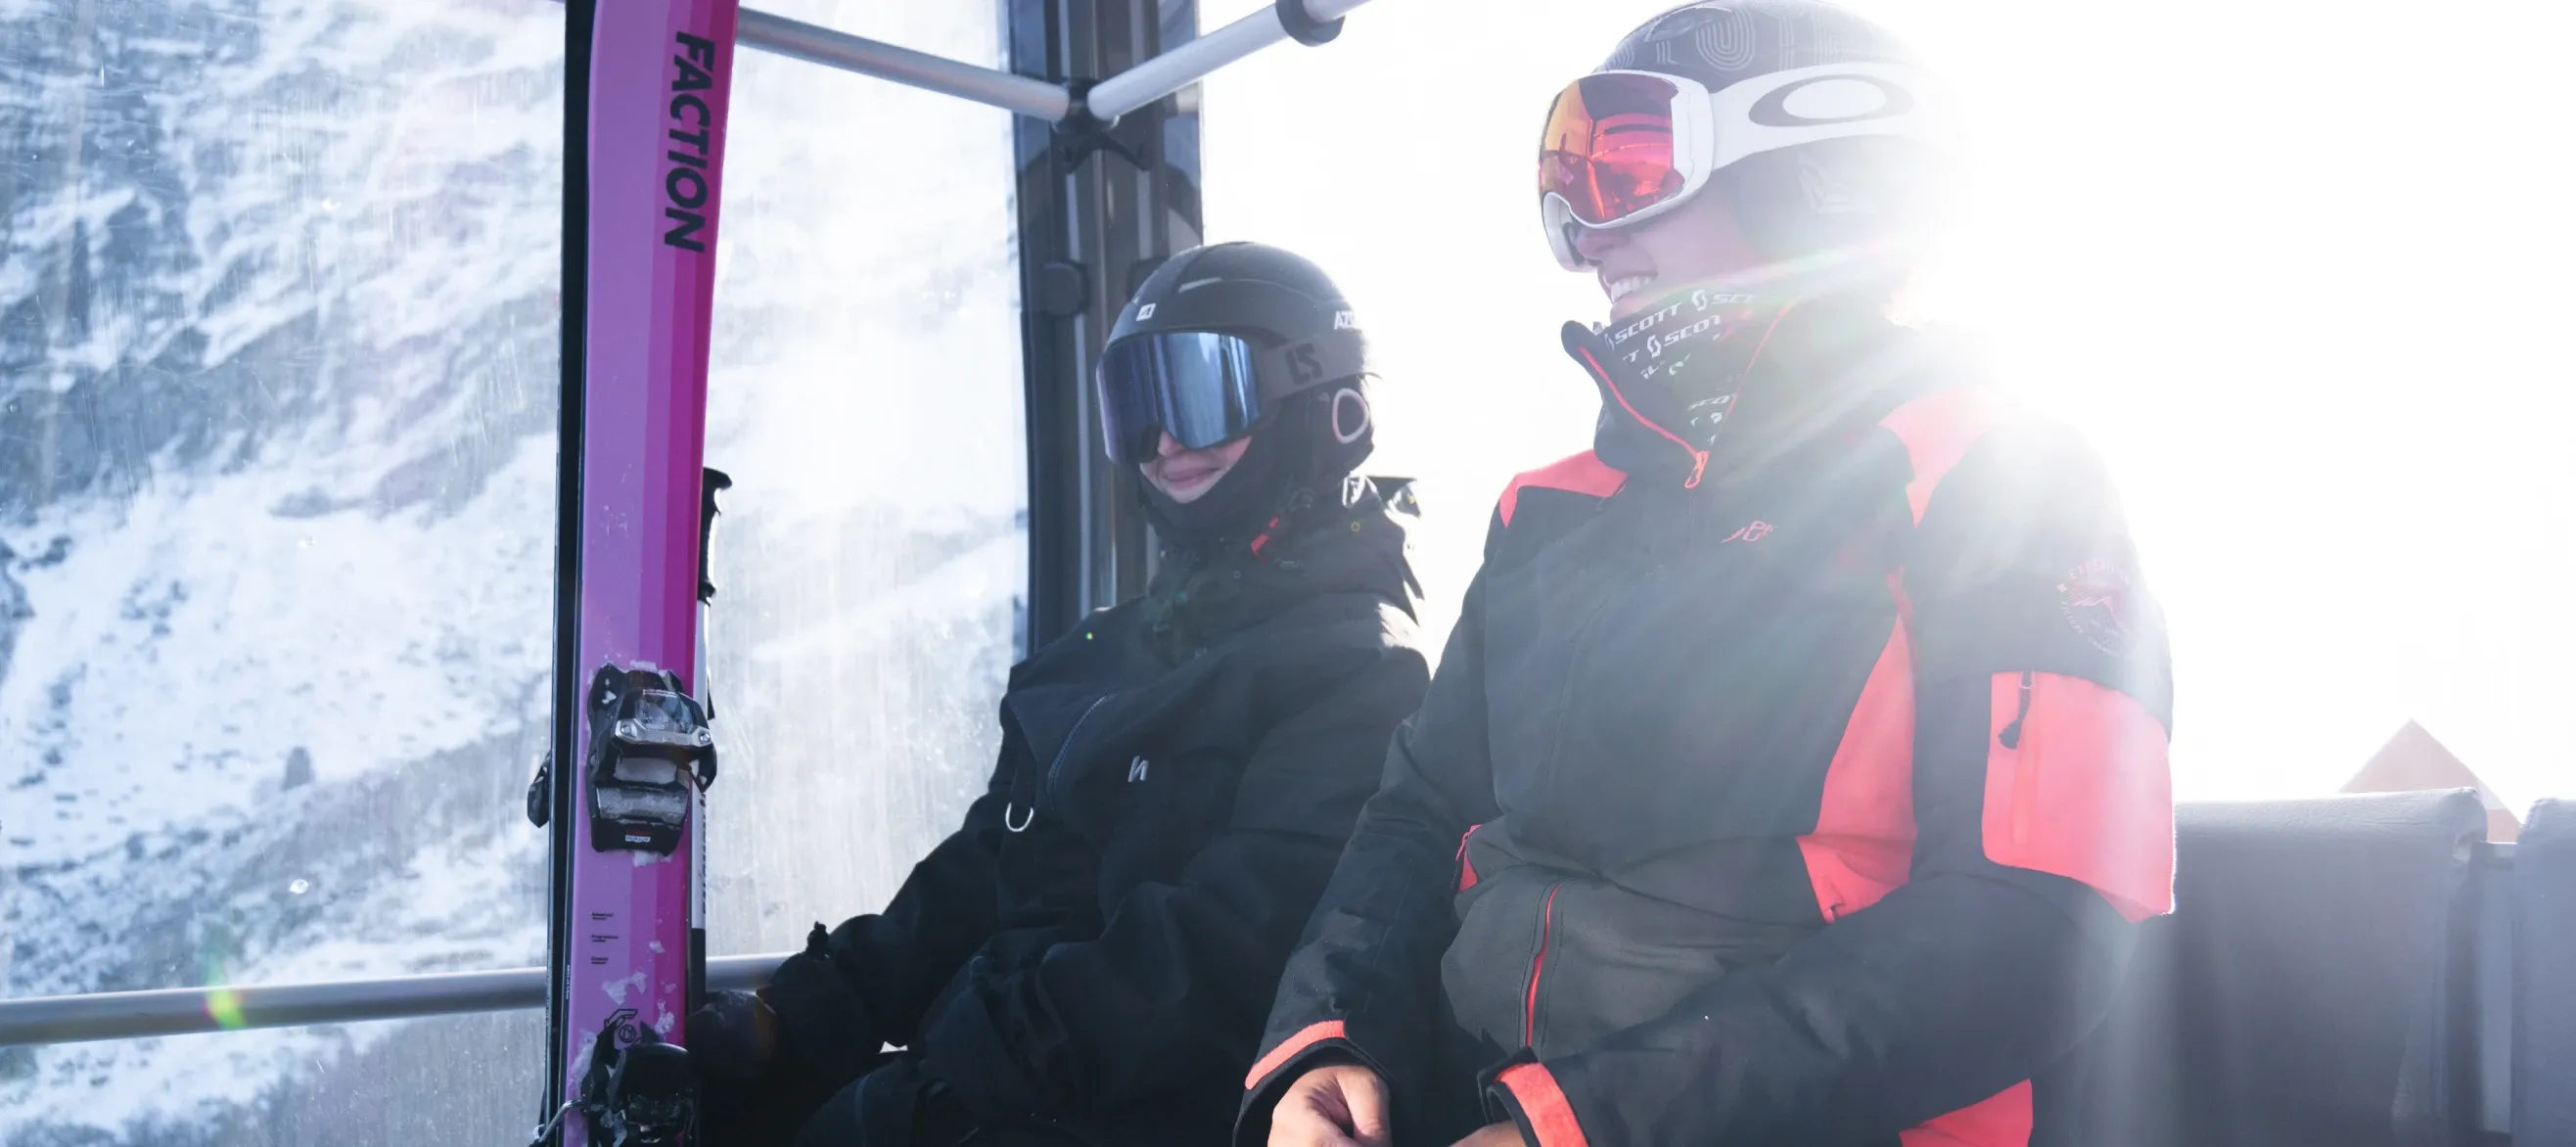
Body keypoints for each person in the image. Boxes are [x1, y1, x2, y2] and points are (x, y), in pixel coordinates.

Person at [1241, 4, 2176, 1146]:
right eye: (1565, 184)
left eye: (1628, 167)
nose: (1586, 233)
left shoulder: (1995, 476)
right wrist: (1329, 1039)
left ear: (1813, 176)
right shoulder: (1548, 510)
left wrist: (1581, 1125)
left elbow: (2038, 923)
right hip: (1492, 1106)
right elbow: (1417, 813)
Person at [691, 242, 1433, 1147]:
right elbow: (981, 869)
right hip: (994, 1079)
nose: (1164, 444)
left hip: (1127, 1106)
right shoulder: (1113, 649)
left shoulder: (1357, 673)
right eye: (1139, 407)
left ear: (1322, 407)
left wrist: (944, 1087)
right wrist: (806, 1016)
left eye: (1197, 397)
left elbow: (1219, 948)